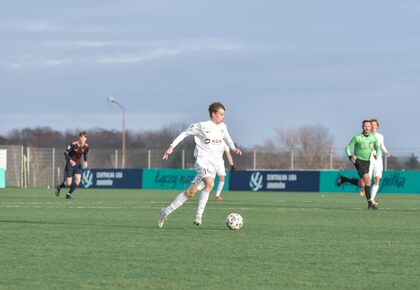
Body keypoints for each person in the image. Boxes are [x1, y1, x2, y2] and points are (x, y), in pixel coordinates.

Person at [158, 102, 242, 228]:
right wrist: (171, 147)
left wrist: (234, 148)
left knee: (190, 193)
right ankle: (198, 216)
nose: (223, 117)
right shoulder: (202, 126)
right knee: (210, 183)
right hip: (202, 161)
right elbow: (184, 134)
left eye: (224, 115)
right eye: (220, 114)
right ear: (213, 114)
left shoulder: (223, 127)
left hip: (214, 164)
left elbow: (228, 139)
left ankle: (165, 211)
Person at [337, 120, 380, 209]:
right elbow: (348, 148)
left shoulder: (373, 137)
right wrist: (350, 156)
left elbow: (377, 147)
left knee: (362, 184)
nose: (367, 128)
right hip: (358, 161)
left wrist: (377, 154)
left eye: (368, 126)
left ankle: (345, 179)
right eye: (365, 126)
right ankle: (370, 203)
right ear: (362, 127)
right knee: (368, 180)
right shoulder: (357, 137)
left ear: (371, 127)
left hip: (367, 161)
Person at [55, 131, 89, 199]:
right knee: (68, 183)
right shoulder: (73, 144)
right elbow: (65, 153)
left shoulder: (86, 146)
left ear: (86, 139)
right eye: (81, 137)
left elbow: (85, 154)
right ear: (79, 138)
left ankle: (69, 194)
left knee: (78, 180)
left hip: (78, 165)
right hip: (70, 164)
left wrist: (85, 161)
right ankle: (59, 187)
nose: (82, 139)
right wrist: (70, 160)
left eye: (84, 138)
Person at [368, 118, 391, 205]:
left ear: (377, 126)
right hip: (369, 160)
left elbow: (382, 145)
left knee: (377, 179)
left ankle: (372, 199)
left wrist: (386, 152)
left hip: (378, 160)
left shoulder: (380, 136)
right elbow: (369, 146)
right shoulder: (367, 136)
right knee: (368, 180)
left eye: (375, 124)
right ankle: (363, 189)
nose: (373, 126)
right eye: (372, 124)